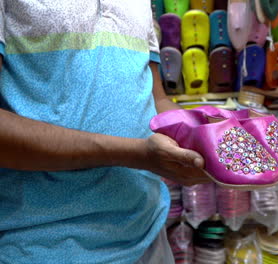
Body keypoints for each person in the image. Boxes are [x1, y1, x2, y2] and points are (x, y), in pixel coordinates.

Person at [0, 1, 209, 263]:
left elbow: (157, 99)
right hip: (37, 245)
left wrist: (207, 133)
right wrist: (135, 154)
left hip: (147, 234)